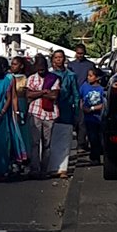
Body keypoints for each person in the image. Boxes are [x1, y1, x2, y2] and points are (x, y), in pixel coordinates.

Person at [26, 54, 61, 179]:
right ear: (36, 67)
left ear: (47, 66)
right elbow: (29, 95)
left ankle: (44, 170)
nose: (41, 68)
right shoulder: (31, 78)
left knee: (47, 143)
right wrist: (44, 92)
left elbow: (54, 96)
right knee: (35, 143)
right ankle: (34, 169)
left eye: (43, 66)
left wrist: (37, 93)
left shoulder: (54, 78)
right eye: (38, 66)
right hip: (35, 112)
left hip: (50, 114)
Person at [48, 50, 79, 178]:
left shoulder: (71, 75)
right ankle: (51, 167)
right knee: (50, 139)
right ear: (53, 59)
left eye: (60, 57)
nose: (58, 60)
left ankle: (62, 169)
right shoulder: (49, 75)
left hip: (66, 109)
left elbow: (76, 94)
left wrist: (76, 111)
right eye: (56, 57)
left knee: (65, 138)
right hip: (50, 109)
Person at [69, 44, 93, 150]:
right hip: (73, 95)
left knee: (83, 120)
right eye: (78, 53)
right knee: (76, 120)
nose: (80, 55)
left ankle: (81, 143)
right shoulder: (71, 65)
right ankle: (81, 140)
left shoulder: (90, 65)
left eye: (81, 53)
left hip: (85, 95)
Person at [79, 67, 105, 165]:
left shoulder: (101, 89)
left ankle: (96, 156)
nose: (88, 78)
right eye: (88, 76)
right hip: (88, 119)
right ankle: (94, 157)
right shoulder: (84, 86)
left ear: (97, 78)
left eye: (91, 76)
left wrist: (92, 109)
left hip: (99, 118)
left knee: (98, 138)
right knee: (92, 138)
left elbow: (103, 104)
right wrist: (82, 107)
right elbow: (80, 98)